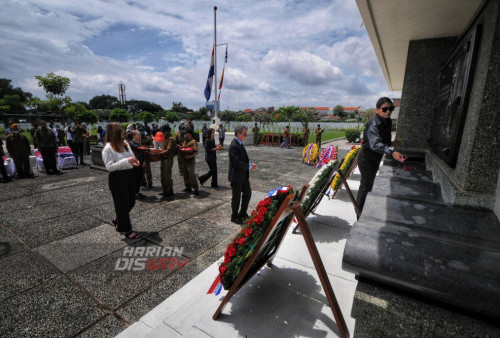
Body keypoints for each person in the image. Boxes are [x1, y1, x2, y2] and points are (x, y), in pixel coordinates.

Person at [356, 97, 406, 216]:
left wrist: (391, 144)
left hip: (375, 159)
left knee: (369, 186)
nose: (388, 111)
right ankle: (359, 214)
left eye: (391, 109)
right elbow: (375, 144)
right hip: (367, 160)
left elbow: (383, 141)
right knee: (365, 187)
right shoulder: (373, 124)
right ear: (377, 110)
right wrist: (391, 152)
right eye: (385, 109)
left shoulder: (388, 121)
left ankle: (363, 210)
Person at [102, 123, 141, 239]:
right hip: (117, 178)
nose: (123, 133)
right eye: (120, 131)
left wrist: (134, 161)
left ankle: (118, 219)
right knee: (122, 204)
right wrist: (127, 161)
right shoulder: (107, 149)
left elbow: (130, 157)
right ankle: (126, 230)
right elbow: (109, 167)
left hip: (129, 175)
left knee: (131, 201)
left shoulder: (125, 145)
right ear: (115, 134)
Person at [228, 125, 257, 224]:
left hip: (243, 176)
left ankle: (243, 213)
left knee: (247, 193)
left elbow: (242, 159)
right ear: (239, 133)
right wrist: (248, 166)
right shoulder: (233, 145)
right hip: (236, 176)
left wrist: (249, 165)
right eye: (244, 134)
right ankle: (234, 216)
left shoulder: (239, 143)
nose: (246, 136)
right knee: (236, 197)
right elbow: (237, 162)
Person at [158, 125, 177, 198]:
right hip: (163, 159)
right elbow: (163, 149)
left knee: (167, 176)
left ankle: (169, 191)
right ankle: (164, 190)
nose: (163, 133)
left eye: (164, 132)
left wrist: (158, 153)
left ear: (167, 131)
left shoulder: (171, 139)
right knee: (162, 175)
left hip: (168, 159)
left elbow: (168, 150)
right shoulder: (165, 139)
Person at [128, 130, 147, 200]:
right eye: (138, 135)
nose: (140, 136)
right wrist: (147, 148)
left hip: (140, 162)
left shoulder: (138, 143)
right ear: (134, 136)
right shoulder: (131, 143)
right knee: (135, 178)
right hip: (136, 163)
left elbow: (142, 152)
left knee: (139, 178)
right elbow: (137, 149)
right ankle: (134, 193)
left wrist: (144, 161)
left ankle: (137, 192)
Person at [179, 129, 199, 195]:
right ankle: (188, 187)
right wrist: (180, 147)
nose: (185, 135)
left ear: (189, 134)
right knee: (185, 174)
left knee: (191, 174)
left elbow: (196, 152)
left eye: (186, 133)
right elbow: (183, 147)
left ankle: (196, 188)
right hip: (184, 159)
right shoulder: (185, 140)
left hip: (190, 160)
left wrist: (190, 156)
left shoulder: (193, 141)